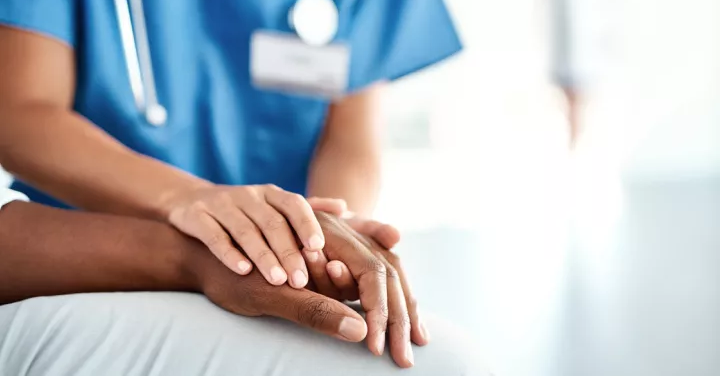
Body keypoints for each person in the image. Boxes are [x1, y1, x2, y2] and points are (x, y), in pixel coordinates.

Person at [0, 0, 462, 291]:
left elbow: (349, 138)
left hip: (275, 267)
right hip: (86, 262)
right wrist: (188, 200)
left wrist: (324, 237)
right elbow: (19, 116)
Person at [0, 188, 490, 375]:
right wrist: (201, 250)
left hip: (246, 239)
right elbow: (26, 113)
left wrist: (315, 230)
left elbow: (350, 119)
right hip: (67, 263)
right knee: (440, 367)